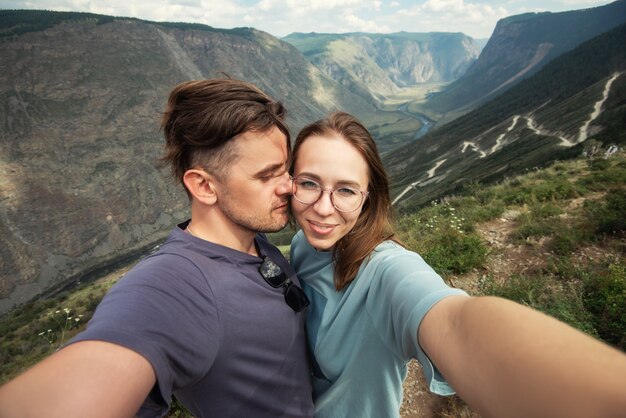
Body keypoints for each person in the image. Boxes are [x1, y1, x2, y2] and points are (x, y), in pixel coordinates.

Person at [0, 78, 314, 418]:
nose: (288, 186)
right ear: (204, 186)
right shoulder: (177, 284)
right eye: (267, 175)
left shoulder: (253, 239)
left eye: (286, 168)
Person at [289, 111, 626, 418]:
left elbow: (454, 325)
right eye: (308, 183)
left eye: (346, 190)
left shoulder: (386, 272)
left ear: (368, 199)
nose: (322, 207)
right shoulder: (303, 244)